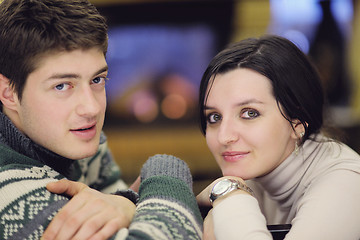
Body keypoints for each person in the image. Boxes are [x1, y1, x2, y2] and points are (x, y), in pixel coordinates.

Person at [0, 0, 202, 239]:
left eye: (97, 80)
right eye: (62, 85)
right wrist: (167, 171)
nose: (91, 108)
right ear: (8, 93)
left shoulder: (77, 139)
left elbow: (124, 210)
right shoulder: (12, 194)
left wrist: (125, 203)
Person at [196, 35, 360, 239]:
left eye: (249, 113)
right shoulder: (261, 169)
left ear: (297, 122)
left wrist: (230, 193)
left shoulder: (346, 186)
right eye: (214, 117)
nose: (224, 136)